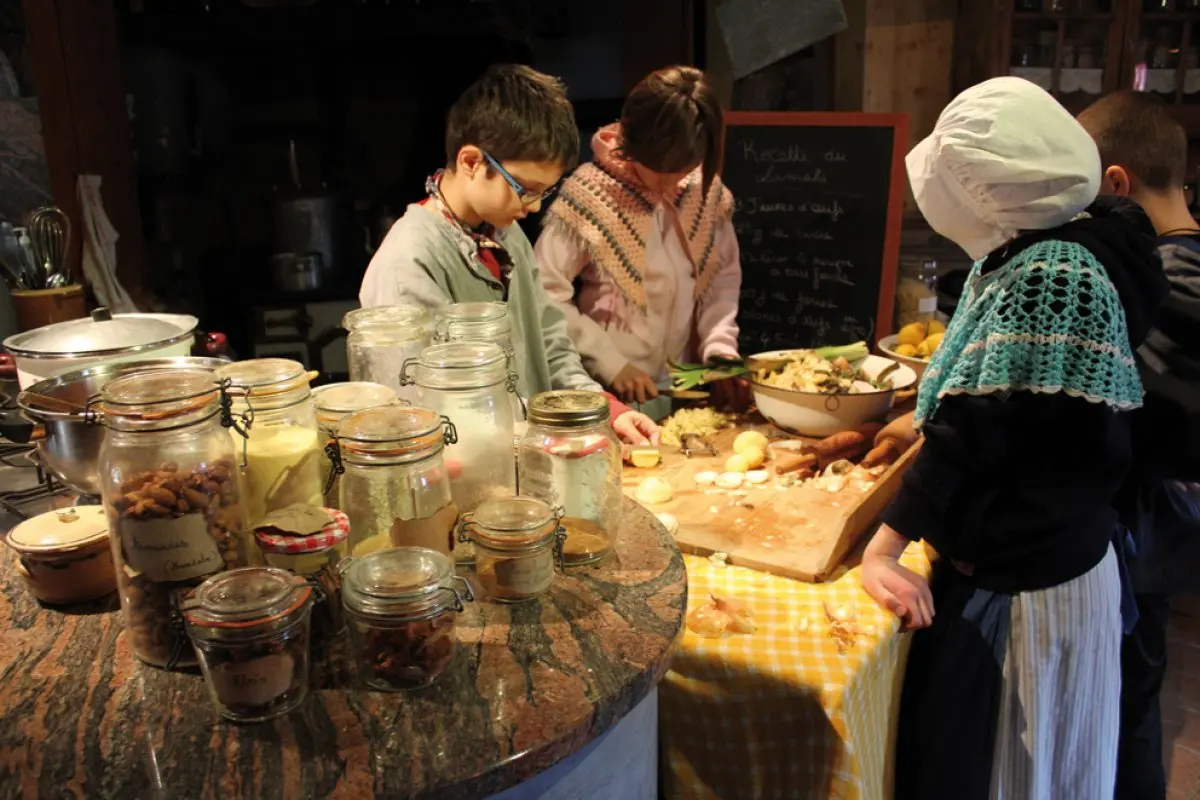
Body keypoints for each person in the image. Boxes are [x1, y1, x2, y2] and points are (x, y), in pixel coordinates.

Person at [859, 77, 1168, 799]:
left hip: (1030, 587)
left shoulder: (1047, 274)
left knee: (1014, 769)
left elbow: (977, 433)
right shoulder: (1094, 232)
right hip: (1071, 557)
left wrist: (884, 548)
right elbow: (1028, 407)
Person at [359, 64, 658, 444]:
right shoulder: (409, 263)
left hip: (528, 463)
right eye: (526, 189)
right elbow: (429, 417)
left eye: (543, 193)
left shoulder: (506, 234)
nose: (533, 207)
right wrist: (544, 441)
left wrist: (599, 409)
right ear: (471, 162)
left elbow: (549, 338)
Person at [1078, 90, 1200, 800]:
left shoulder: (1168, 282)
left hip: (1151, 537)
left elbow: (1116, 403)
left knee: (1128, 714)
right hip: (1162, 532)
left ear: (1116, 184)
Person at [533, 66, 747, 419]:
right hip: (607, 395)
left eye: (686, 167)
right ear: (633, 145)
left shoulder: (702, 192)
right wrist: (610, 362)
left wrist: (720, 347)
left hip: (684, 390)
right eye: (661, 170)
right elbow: (543, 291)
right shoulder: (590, 194)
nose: (673, 181)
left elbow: (722, 279)